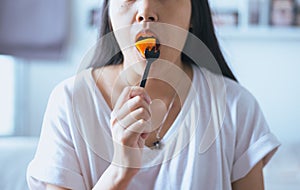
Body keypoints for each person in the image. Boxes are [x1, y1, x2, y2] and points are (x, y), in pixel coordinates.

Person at [27, 0, 280, 189]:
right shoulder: (69, 102)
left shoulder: (237, 107)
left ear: (194, 12)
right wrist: (119, 171)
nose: (145, 10)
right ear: (110, 11)